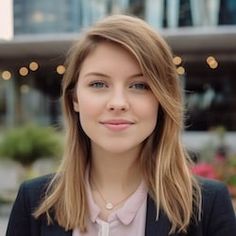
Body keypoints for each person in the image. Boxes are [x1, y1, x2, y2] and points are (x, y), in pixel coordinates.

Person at [6, 15, 236, 236]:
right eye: (98, 83)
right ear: (74, 99)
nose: (118, 103)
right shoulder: (33, 201)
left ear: (162, 99)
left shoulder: (207, 206)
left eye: (139, 85)